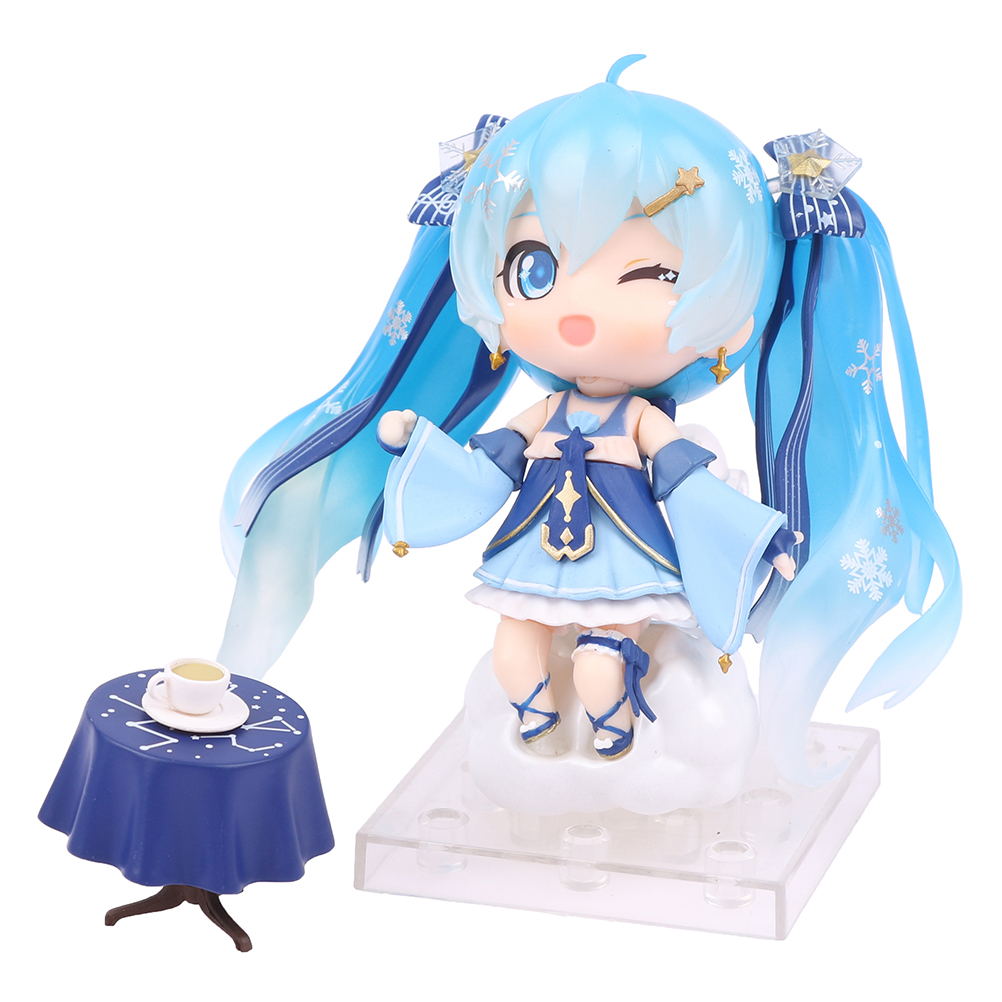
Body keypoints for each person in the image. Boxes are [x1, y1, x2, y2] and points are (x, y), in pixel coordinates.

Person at [217, 56, 959, 783]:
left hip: (626, 563)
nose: (577, 310)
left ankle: (614, 735)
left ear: (733, 309)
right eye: (535, 268)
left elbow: (688, 486)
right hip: (535, 558)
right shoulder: (544, 411)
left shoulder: (641, 422)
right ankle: (541, 732)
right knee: (512, 656)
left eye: (650, 274)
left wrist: (763, 541)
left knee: (602, 670)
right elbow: (486, 469)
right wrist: (419, 447)